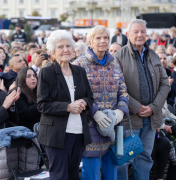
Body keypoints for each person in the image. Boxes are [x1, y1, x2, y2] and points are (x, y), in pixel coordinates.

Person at [114, 19, 170, 180]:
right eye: (136, 32)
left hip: (151, 119)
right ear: (127, 35)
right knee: (123, 160)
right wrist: (137, 107)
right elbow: (118, 87)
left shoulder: (153, 55)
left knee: (145, 158)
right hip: (128, 120)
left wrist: (153, 107)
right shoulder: (119, 56)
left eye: (143, 32)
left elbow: (165, 84)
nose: (140, 35)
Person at [73, 25, 129, 180]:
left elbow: (123, 92)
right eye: (98, 38)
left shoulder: (115, 64)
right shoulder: (79, 64)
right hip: (90, 126)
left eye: (105, 37)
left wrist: (120, 111)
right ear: (90, 42)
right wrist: (94, 112)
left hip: (114, 125)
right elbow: (75, 94)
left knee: (111, 173)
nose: (102, 41)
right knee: (91, 174)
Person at [37, 30, 94, 180]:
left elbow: (90, 97)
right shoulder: (47, 72)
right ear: (53, 52)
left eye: (68, 46)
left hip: (79, 132)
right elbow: (42, 104)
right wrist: (68, 107)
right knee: (59, 176)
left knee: (74, 175)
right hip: (56, 134)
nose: (65, 50)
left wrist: (84, 102)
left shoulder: (80, 71)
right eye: (60, 47)